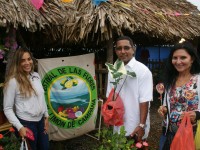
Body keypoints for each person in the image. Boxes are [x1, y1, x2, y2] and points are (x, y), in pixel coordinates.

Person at [106, 36, 153, 149]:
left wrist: (141, 125)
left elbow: (144, 100)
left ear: (133, 49)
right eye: (119, 48)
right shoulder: (113, 71)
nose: (123, 51)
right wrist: (109, 118)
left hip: (135, 125)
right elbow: (110, 97)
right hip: (118, 123)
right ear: (115, 51)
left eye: (126, 48)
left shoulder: (143, 71)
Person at [3, 47, 49, 150]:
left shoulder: (36, 76)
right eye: (23, 60)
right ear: (17, 63)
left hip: (41, 122)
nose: (27, 62)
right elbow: (7, 108)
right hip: (26, 123)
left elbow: (41, 97)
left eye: (29, 59)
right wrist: (20, 127)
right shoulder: (13, 82)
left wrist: (46, 116)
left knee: (45, 148)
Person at [158, 41, 200, 149]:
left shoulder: (198, 80)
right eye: (174, 58)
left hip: (192, 135)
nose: (178, 61)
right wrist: (164, 109)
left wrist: (197, 115)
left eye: (183, 57)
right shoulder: (170, 81)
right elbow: (170, 105)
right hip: (169, 135)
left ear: (192, 59)